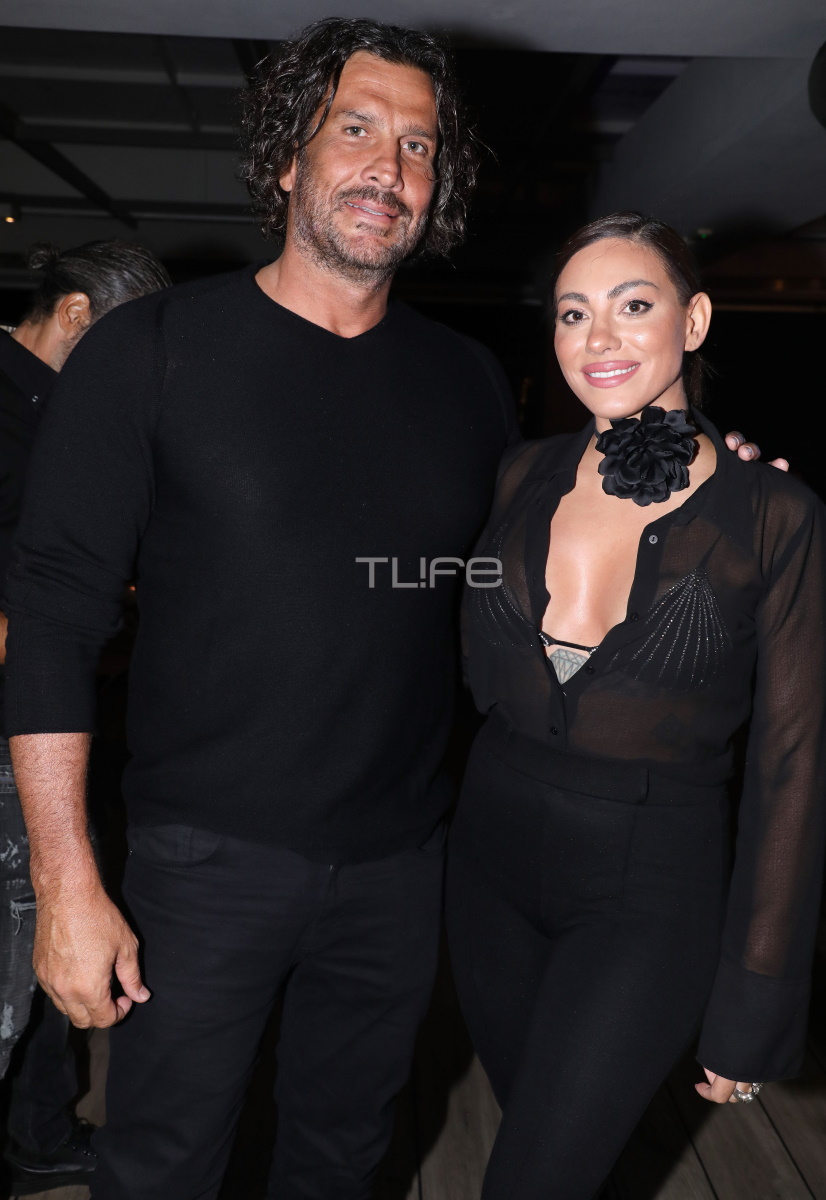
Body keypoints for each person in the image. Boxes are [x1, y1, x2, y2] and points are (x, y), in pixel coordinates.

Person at [2, 22, 777, 1200]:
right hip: (202, 863)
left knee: (345, 1160)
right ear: (287, 159)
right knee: (161, 1166)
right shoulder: (150, 352)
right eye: (355, 130)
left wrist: (716, 482)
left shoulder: (465, 381)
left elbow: (533, 553)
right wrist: (68, 882)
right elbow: (55, 613)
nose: (388, 166)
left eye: (417, 146)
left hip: (404, 868)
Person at [447, 211, 825, 1200]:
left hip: (647, 888)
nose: (598, 338)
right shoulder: (520, 472)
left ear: (692, 322)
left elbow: (793, 763)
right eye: (573, 313)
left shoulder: (773, 514)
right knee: (557, 1153)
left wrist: (756, 993)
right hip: (486, 865)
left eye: (633, 305)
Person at [0, 238, 170, 1193]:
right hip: (13, 717)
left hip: (49, 712)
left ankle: (39, 1138)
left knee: (51, 946)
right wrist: (55, 632)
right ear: (74, 315)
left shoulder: (63, 413)